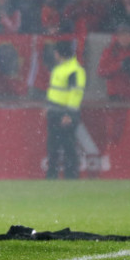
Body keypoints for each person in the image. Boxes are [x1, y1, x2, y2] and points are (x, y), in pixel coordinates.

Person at [45, 40, 86, 179]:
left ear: (59, 53)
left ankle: (71, 175)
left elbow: (75, 95)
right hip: (55, 113)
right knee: (53, 146)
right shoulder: (61, 68)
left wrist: (69, 114)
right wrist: (48, 107)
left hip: (65, 114)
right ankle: (52, 175)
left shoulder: (73, 70)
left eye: (55, 51)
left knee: (68, 146)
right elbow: (56, 92)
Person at [97, 23, 130, 101]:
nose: (125, 38)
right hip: (115, 97)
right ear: (117, 37)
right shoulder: (110, 51)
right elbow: (101, 71)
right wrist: (120, 66)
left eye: (128, 35)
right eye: (122, 35)